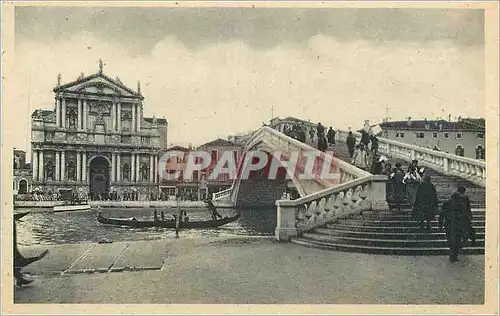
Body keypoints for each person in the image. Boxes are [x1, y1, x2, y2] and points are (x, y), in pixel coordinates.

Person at [14, 212, 49, 287]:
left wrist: (40, 256)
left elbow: (34, 259)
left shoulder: (20, 263)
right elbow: (34, 259)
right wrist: (40, 256)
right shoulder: (20, 263)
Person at [439, 186, 474, 262]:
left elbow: (441, 215)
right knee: (457, 240)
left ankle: (452, 254)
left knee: (451, 239)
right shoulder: (460, 204)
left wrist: (440, 224)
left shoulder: (446, 203)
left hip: (449, 225)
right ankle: (454, 255)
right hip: (458, 225)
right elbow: (465, 213)